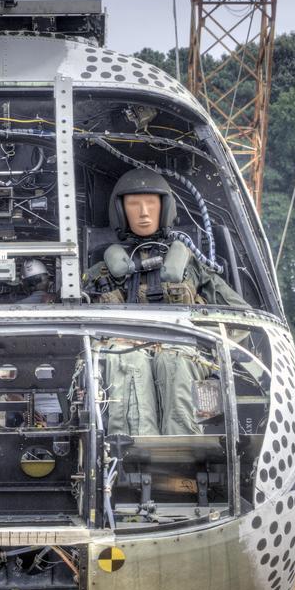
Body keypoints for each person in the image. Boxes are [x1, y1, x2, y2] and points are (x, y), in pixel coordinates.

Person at [83, 168, 246, 436]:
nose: (144, 212)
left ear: (165, 209)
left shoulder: (192, 268)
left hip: (183, 350)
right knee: (128, 361)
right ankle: (129, 452)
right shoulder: (101, 273)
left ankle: (186, 452)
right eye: (134, 205)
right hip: (125, 352)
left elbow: (240, 318)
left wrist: (213, 351)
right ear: (121, 212)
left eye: (151, 203)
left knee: (175, 360)